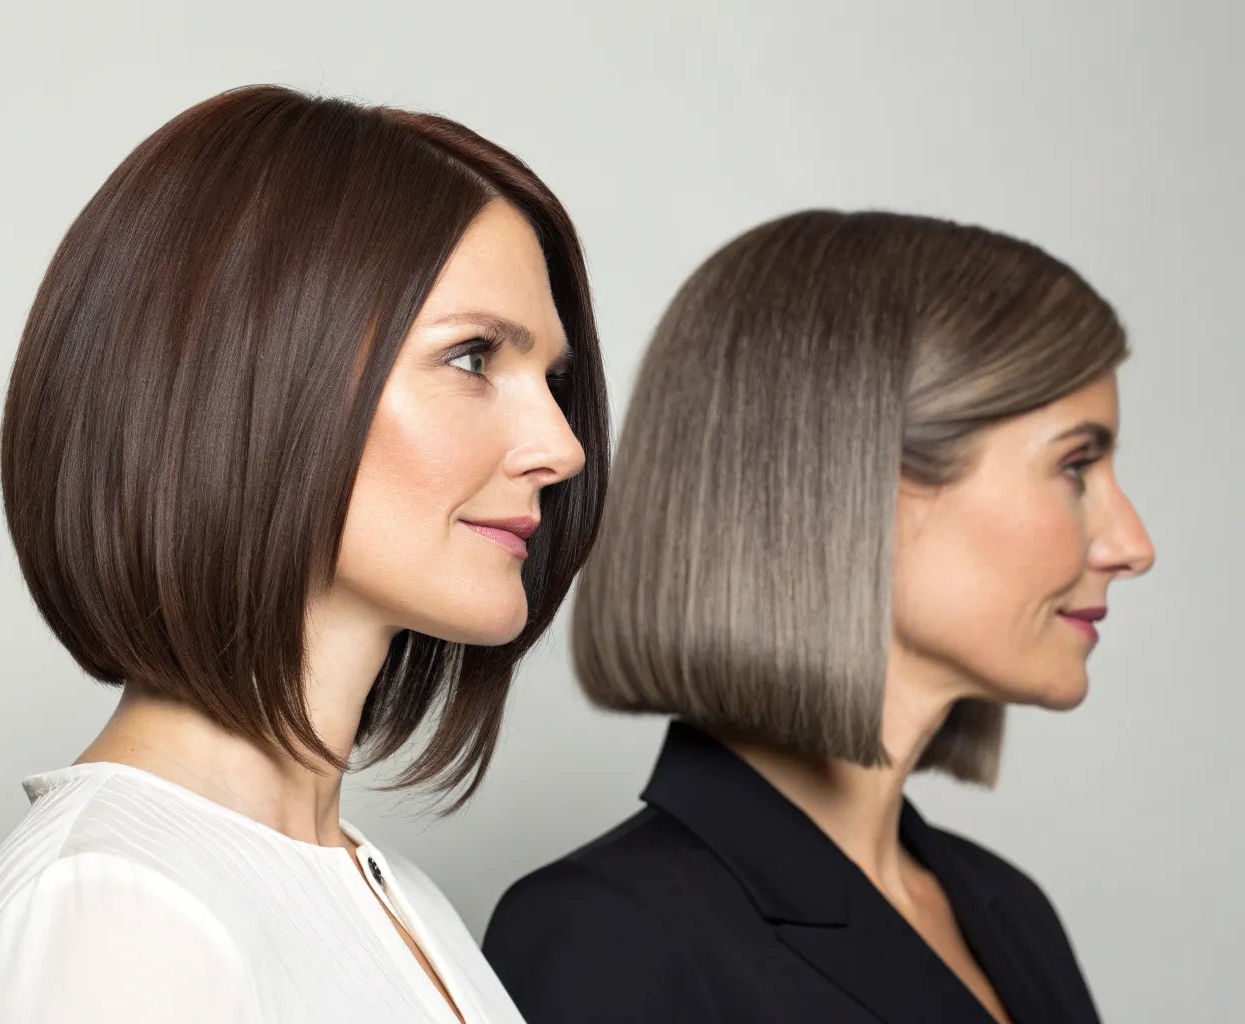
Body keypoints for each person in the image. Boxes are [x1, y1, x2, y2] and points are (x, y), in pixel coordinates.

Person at [0, 85, 609, 1023]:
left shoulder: (394, 899)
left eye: (551, 379)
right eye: (472, 359)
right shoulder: (119, 911)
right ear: (254, 375)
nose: (562, 448)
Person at [484, 210, 1155, 1024]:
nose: (1132, 545)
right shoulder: (611, 937)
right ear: (860, 478)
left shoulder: (1009, 911)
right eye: (1075, 466)